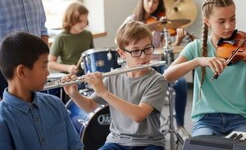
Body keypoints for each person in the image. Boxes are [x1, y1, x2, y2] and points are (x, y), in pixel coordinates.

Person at [163, 0, 246, 137]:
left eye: (233, 19)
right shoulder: (196, 48)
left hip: (241, 120)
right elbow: (167, 76)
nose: (229, 26)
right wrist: (198, 61)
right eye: (221, 21)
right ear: (207, 22)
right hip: (206, 121)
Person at [63, 21, 168, 149]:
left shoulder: (157, 80)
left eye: (147, 49)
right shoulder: (113, 77)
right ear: (122, 53)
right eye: (135, 51)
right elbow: (90, 106)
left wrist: (104, 92)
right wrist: (73, 93)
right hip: (117, 141)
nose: (143, 56)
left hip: (149, 143)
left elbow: (138, 115)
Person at [0, 32, 83, 150]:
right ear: (22, 71)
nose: (48, 73)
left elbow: (75, 147)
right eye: (44, 66)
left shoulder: (56, 104)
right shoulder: (3, 120)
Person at [126, 0, 190, 138]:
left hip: (156, 65)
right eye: (148, 0)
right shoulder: (131, 20)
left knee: (180, 83)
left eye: (155, 1)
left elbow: (163, 48)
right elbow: (119, 41)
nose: (151, 4)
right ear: (142, 0)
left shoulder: (160, 23)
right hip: (137, 66)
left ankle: (179, 124)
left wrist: (178, 40)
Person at [49, 1, 94, 75]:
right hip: (69, 77)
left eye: (85, 20)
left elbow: (91, 55)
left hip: (86, 74)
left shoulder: (88, 35)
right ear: (70, 20)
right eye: (80, 21)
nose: (84, 24)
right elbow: (50, 63)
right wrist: (68, 68)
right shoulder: (61, 38)